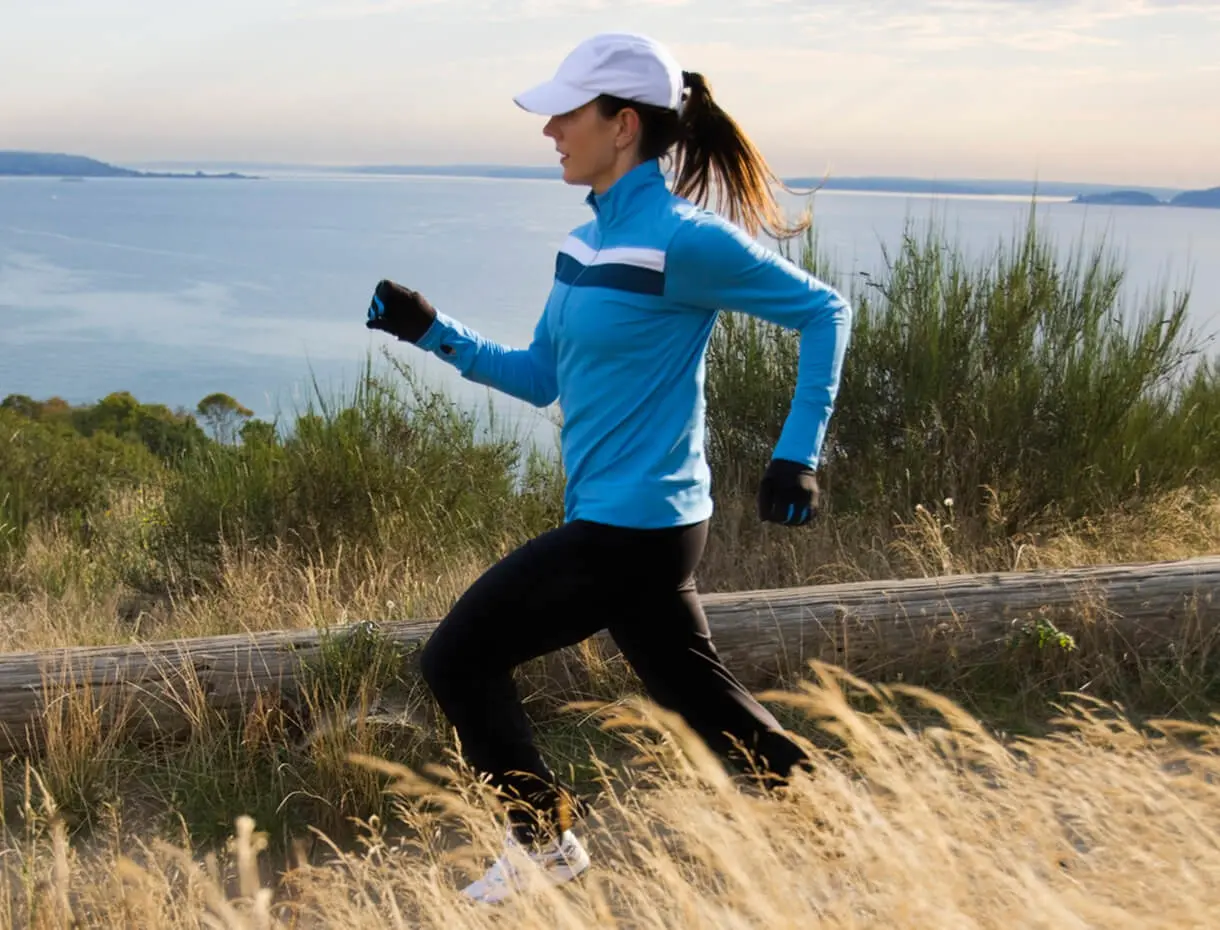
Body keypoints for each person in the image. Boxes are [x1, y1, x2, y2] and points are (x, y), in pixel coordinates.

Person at [365, 32, 853, 904]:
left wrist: (796, 454)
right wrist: (431, 330)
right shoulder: (584, 248)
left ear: (622, 125)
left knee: (457, 659)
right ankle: (844, 825)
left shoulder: (686, 243)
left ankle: (545, 844)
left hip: (636, 527)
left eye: (568, 112)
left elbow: (826, 312)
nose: (550, 128)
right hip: (631, 521)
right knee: (700, 703)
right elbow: (541, 375)